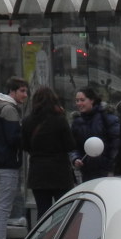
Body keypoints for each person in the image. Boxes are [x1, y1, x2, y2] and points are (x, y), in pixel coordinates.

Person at [21, 86, 76, 220]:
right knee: (62, 211)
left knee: (43, 211)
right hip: (60, 172)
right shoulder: (60, 120)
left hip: (38, 172)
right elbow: (70, 145)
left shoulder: (27, 121)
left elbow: (24, 145)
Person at [0, 76, 29, 239]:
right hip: (7, 164)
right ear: (12, 91)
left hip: (1, 162)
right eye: (22, 91)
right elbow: (14, 139)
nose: (25, 95)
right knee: (4, 208)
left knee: (4, 207)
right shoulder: (9, 110)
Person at [70, 86, 121, 181]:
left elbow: (116, 143)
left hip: (107, 172)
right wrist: (75, 159)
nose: (79, 103)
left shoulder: (107, 117)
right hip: (87, 172)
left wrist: (109, 164)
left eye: (82, 100)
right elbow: (73, 146)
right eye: (77, 100)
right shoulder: (77, 122)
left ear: (92, 100)